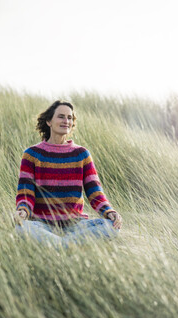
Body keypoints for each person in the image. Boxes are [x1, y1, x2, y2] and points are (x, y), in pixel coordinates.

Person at [14, 100, 122, 248]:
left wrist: (109, 212)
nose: (66, 121)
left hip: (75, 225)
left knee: (112, 227)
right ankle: (69, 245)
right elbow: (26, 193)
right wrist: (23, 212)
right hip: (42, 224)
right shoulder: (32, 154)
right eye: (61, 116)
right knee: (21, 228)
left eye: (70, 118)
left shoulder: (81, 154)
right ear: (49, 121)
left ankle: (59, 245)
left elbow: (95, 192)